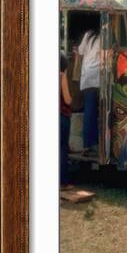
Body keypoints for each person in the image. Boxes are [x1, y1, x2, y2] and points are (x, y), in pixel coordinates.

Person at [77, 29, 100, 155]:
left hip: (87, 76)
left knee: (89, 111)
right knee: (95, 111)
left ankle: (88, 144)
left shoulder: (88, 34)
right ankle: (93, 143)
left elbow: (80, 51)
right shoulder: (105, 35)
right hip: (98, 77)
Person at [60, 52, 73, 190]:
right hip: (62, 117)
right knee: (62, 149)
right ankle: (63, 182)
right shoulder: (61, 76)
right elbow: (67, 99)